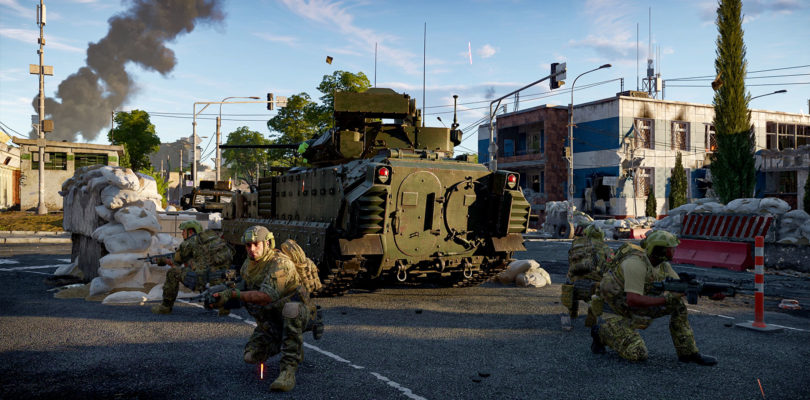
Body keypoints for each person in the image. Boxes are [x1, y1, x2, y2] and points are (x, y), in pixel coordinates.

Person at [210, 226, 319, 392]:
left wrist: (234, 294)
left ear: (267, 243)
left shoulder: (281, 264)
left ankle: (288, 371)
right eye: (248, 245)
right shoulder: (249, 264)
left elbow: (266, 296)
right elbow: (243, 288)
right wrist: (222, 298)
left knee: (291, 310)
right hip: (271, 319)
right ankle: (291, 345)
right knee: (251, 356)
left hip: (297, 313)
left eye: (256, 244)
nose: (252, 249)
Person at [591, 230, 717, 366]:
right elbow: (632, 300)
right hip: (616, 310)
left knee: (678, 305)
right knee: (638, 353)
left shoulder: (663, 266)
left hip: (632, 307)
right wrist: (666, 299)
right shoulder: (635, 264)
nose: (674, 250)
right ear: (660, 249)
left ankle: (688, 353)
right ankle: (601, 332)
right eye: (671, 248)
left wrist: (710, 293)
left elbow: (679, 288)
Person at [151, 220, 233, 314]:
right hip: (227, 277)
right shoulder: (215, 239)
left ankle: (165, 307)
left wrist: (162, 260)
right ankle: (222, 306)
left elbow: (176, 261)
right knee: (202, 269)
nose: (182, 233)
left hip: (206, 279)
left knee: (173, 272)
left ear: (191, 232)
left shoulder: (189, 242)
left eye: (184, 231)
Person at [561, 224, 613, 328]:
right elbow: (611, 268)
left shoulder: (578, 247)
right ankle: (593, 308)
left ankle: (573, 310)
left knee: (569, 278)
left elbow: (571, 266)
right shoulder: (607, 249)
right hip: (595, 288)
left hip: (575, 287)